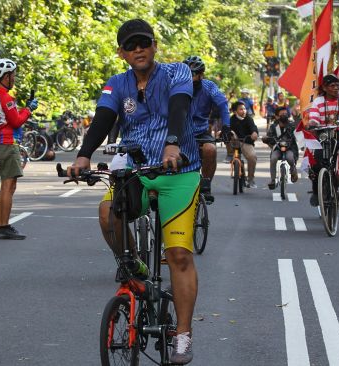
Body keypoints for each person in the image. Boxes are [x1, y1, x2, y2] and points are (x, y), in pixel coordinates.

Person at [69, 19, 199, 364]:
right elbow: (102, 119)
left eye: (144, 43)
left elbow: (180, 107)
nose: (138, 49)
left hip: (178, 171)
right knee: (105, 213)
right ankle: (136, 268)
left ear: (154, 45)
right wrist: (83, 156)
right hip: (135, 171)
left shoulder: (177, 73)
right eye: (131, 45)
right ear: (121, 52)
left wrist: (172, 145)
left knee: (179, 256)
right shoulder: (117, 84)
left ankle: (182, 335)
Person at [0, 58, 38, 240]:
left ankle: (0, 225)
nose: (14, 78)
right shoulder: (6, 97)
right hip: (8, 144)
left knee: (5, 187)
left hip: (0, 144)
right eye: (13, 75)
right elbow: (16, 121)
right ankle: (3, 226)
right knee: (9, 187)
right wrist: (28, 109)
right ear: (6, 76)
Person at [183, 55, 230, 202]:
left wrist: (226, 126)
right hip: (180, 131)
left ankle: (206, 184)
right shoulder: (176, 86)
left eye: (194, 75)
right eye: (187, 74)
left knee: (210, 150)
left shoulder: (209, 86)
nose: (190, 78)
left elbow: (222, 104)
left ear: (201, 75)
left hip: (201, 131)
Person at [307, 74, 339, 210]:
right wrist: (312, 123)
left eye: (337, 86)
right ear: (325, 88)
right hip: (323, 136)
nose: (335, 88)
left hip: (338, 135)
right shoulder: (318, 101)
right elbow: (314, 116)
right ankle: (317, 191)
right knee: (316, 163)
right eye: (332, 86)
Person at [265, 106, 298, 189]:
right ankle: (272, 180)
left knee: (290, 158)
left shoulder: (291, 125)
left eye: (285, 114)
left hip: (289, 148)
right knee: (273, 158)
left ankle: (293, 171)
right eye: (282, 114)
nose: (284, 115)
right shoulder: (273, 126)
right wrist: (266, 139)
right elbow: (269, 137)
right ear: (276, 116)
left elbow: (298, 134)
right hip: (278, 148)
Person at [229, 101, 258, 188]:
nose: (244, 111)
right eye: (241, 109)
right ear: (235, 111)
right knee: (230, 136)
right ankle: (230, 155)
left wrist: (254, 133)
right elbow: (226, 128)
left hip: (246, 142)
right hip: (235, 142)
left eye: (244, 109)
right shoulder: (231, 119)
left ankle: (250, 179)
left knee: (252, 157)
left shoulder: (249, 119)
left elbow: (253, 128)